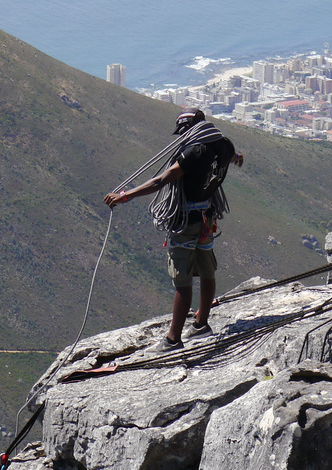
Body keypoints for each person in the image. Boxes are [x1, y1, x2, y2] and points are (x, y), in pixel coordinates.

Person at [104, 109, 243, 348]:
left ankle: (173, 339)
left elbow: (161, 180)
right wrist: (237, 157)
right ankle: (201, 324)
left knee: (182, 278)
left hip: (186, 222)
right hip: (207, 219)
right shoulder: (224, 145)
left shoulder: (194, 151)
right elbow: (232, 157)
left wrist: (125, 196)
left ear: (187, 127)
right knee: (207, 269)